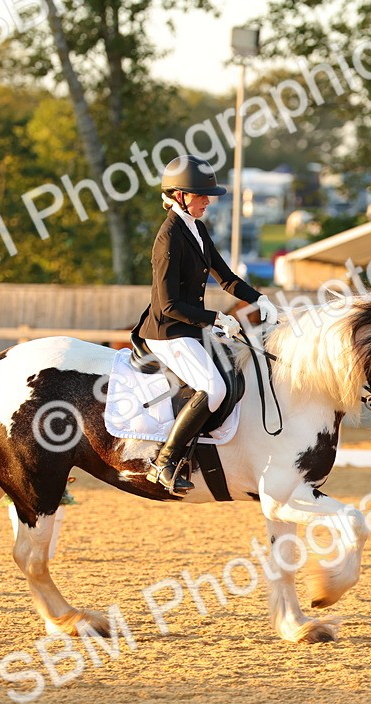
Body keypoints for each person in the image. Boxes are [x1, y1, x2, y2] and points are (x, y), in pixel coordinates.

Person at [135, 154, 279, 495]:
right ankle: (164, 462)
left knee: (234, 375)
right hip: (167, 332)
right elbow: (167, 304)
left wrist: (259, 299)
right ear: (179, 195)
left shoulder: (196, 229)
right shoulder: (169, 238)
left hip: (190, 328)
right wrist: (215, 319)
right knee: (214, 389)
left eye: (207, 195)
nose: (207, 201)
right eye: (201, 195)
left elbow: (226, 278)